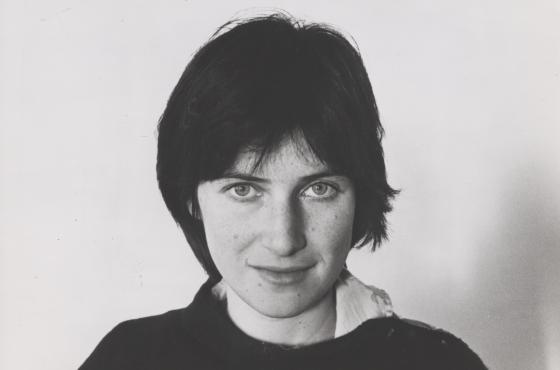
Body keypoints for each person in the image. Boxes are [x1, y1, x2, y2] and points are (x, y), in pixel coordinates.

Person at [80, 13, 487, 370]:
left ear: (360, 195)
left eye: (319, 189)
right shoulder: (128, 359)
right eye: (243, 190)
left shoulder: (440, 363)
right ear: (192, 199)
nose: (284, 239)